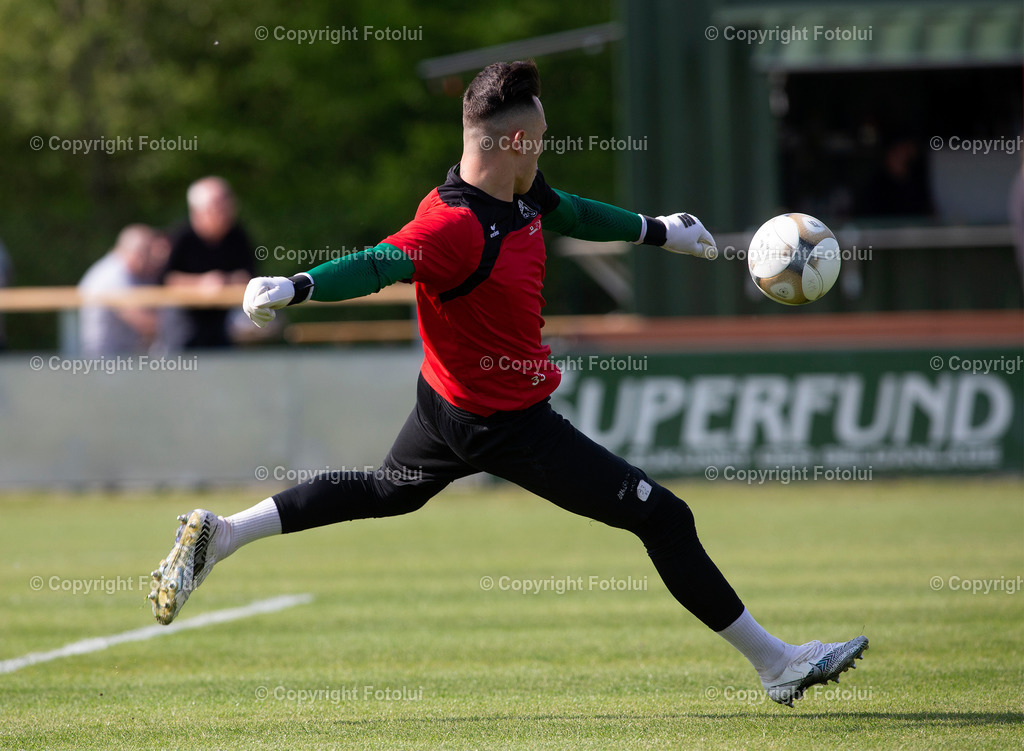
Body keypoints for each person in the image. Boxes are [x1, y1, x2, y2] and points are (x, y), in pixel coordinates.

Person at [149, 61, 867, 706]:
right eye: (542, 137)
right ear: (516, 144)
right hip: (510, 425)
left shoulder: (520, 191)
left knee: (383, 490)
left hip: (448, 407)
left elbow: (572, 211)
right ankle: (778, 665)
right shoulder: (452, 225)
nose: (546, 147)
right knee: (664, 517)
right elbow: (379, 261)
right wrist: (300, 284)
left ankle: (227, 533)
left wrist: (656, 229)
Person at [163, 177, 255, 348]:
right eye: (218, 207)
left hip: (227, 324)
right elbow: (165, 280)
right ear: (198, 212)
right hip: (185, 324)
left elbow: (251, 277)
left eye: (227, 205)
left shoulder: (238, 236)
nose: (225, 212)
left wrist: (224, 281)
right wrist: (201, 283)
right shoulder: (181, 237)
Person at [78, 224, 167, 357]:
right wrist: (180, 324)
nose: (153, 258)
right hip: (104, 361)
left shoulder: (135, 274)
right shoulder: (112, 274)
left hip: (124, 357)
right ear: (138, 252)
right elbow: (141, 320)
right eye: (149, 252)